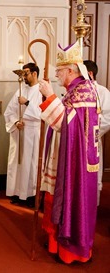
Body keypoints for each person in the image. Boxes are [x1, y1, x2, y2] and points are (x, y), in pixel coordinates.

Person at [38, 40, 99, 264]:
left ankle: (70, 250)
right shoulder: (77, 89)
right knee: (57, 198)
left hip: (76, 161)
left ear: (71, 70)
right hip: (71, 155)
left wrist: (50, 97)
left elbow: (67, 125)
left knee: (71, 199)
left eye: (59, 71)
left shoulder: (83, 91)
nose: (57, 75)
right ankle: (56, 244)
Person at [4, 63, 42, 208]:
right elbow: (9, 111)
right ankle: (17, 192)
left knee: (31, 163)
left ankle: (31, 194)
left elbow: (43, 113)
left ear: (34, 73)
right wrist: (15, 122)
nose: (23, 77)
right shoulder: (21, 90)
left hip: (33, 132)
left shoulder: (41, 90)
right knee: (17, 162)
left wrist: (27, 103)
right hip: (19, 131)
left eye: (26, 73)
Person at [84, 60, 110, 205]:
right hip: (76, 140)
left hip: (92, 140)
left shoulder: (102, 92)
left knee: (93, 172)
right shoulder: (76, 90)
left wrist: (93, 133)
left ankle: (92, 203)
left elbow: (108, 116)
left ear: (90, 73)